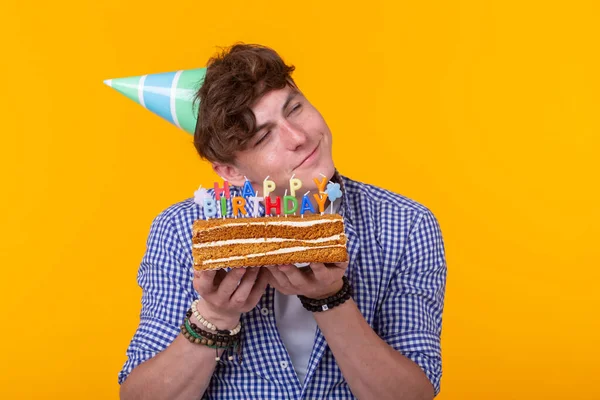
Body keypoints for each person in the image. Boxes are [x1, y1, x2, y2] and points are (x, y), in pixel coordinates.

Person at [118, 43, 447, 400]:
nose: (298, 137)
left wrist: (330, 299)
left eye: (295, 109)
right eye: (263, 136)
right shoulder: (182, 231)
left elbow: (413, 395)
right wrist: (215, 316)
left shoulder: (406, 224)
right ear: (228, 170)